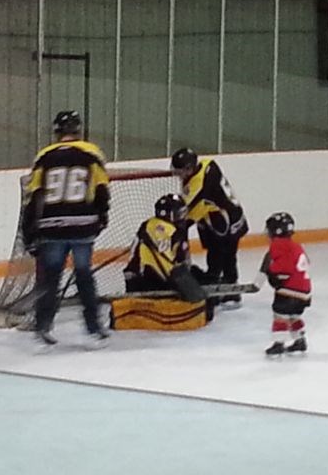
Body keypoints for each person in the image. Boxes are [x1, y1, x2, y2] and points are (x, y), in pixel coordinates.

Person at [21, 110, 110, 349]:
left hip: (51, 225)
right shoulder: (91, 153)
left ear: (57, 131)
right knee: (84, 275)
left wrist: (29, 232)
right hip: (82, 224)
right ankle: (93, 328)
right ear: (78, 129)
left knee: (50, 278)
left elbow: (34, 196)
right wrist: (102, 217)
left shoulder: (44, 156)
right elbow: (102, 189)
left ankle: (42, 326)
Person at [170, 148, 248, 307]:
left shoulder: (200, 186)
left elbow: (190, 208)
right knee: (220, 255)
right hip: (216, 219)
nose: (178, 175)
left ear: (189, 169)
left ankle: (229, 292)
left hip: (226, 221)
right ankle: (223, 286)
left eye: (180, 171)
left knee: (223, 256)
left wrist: (178, 227)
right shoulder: (207, 164)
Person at [123, 193, 206, 304]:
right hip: (146, 283)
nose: (182, 217)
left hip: (136, 280)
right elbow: (170, 267)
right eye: (179, 214)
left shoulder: (149, 224)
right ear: (169, 215)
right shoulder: (168, 231)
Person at [260, 212, 311, 356]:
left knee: (280, 316)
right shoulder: (296, 246)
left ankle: (279, 343)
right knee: (294, 315)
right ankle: (300, 340)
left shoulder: (278, 245)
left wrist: (271, 272)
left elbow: (281, 267)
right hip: (304, 291)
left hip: (289, 289)